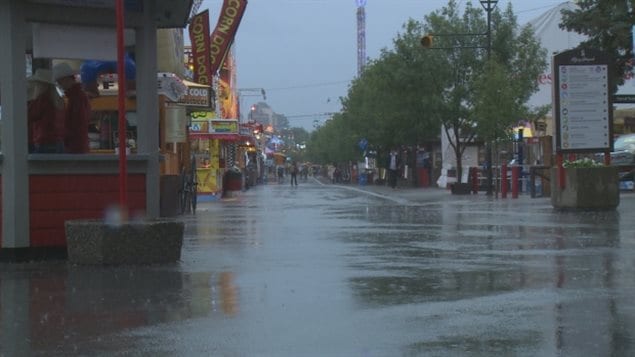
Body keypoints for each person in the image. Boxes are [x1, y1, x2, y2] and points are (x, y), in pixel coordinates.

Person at [53, 62, 91, 154]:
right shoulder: (77, 96)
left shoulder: (76, 97)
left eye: (59, 81)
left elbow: (77, 123)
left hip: (75, 146)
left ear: (66, 79)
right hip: (78, 144)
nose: (59, 85)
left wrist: (62, 134)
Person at [27, 69, 65, 153]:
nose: (36, 86)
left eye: (37, 84)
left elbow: (28, 116)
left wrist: (34, 98)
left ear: (43, 85)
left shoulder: (42, 100)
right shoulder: (58, 100)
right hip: (59, 142)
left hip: (45, 142)